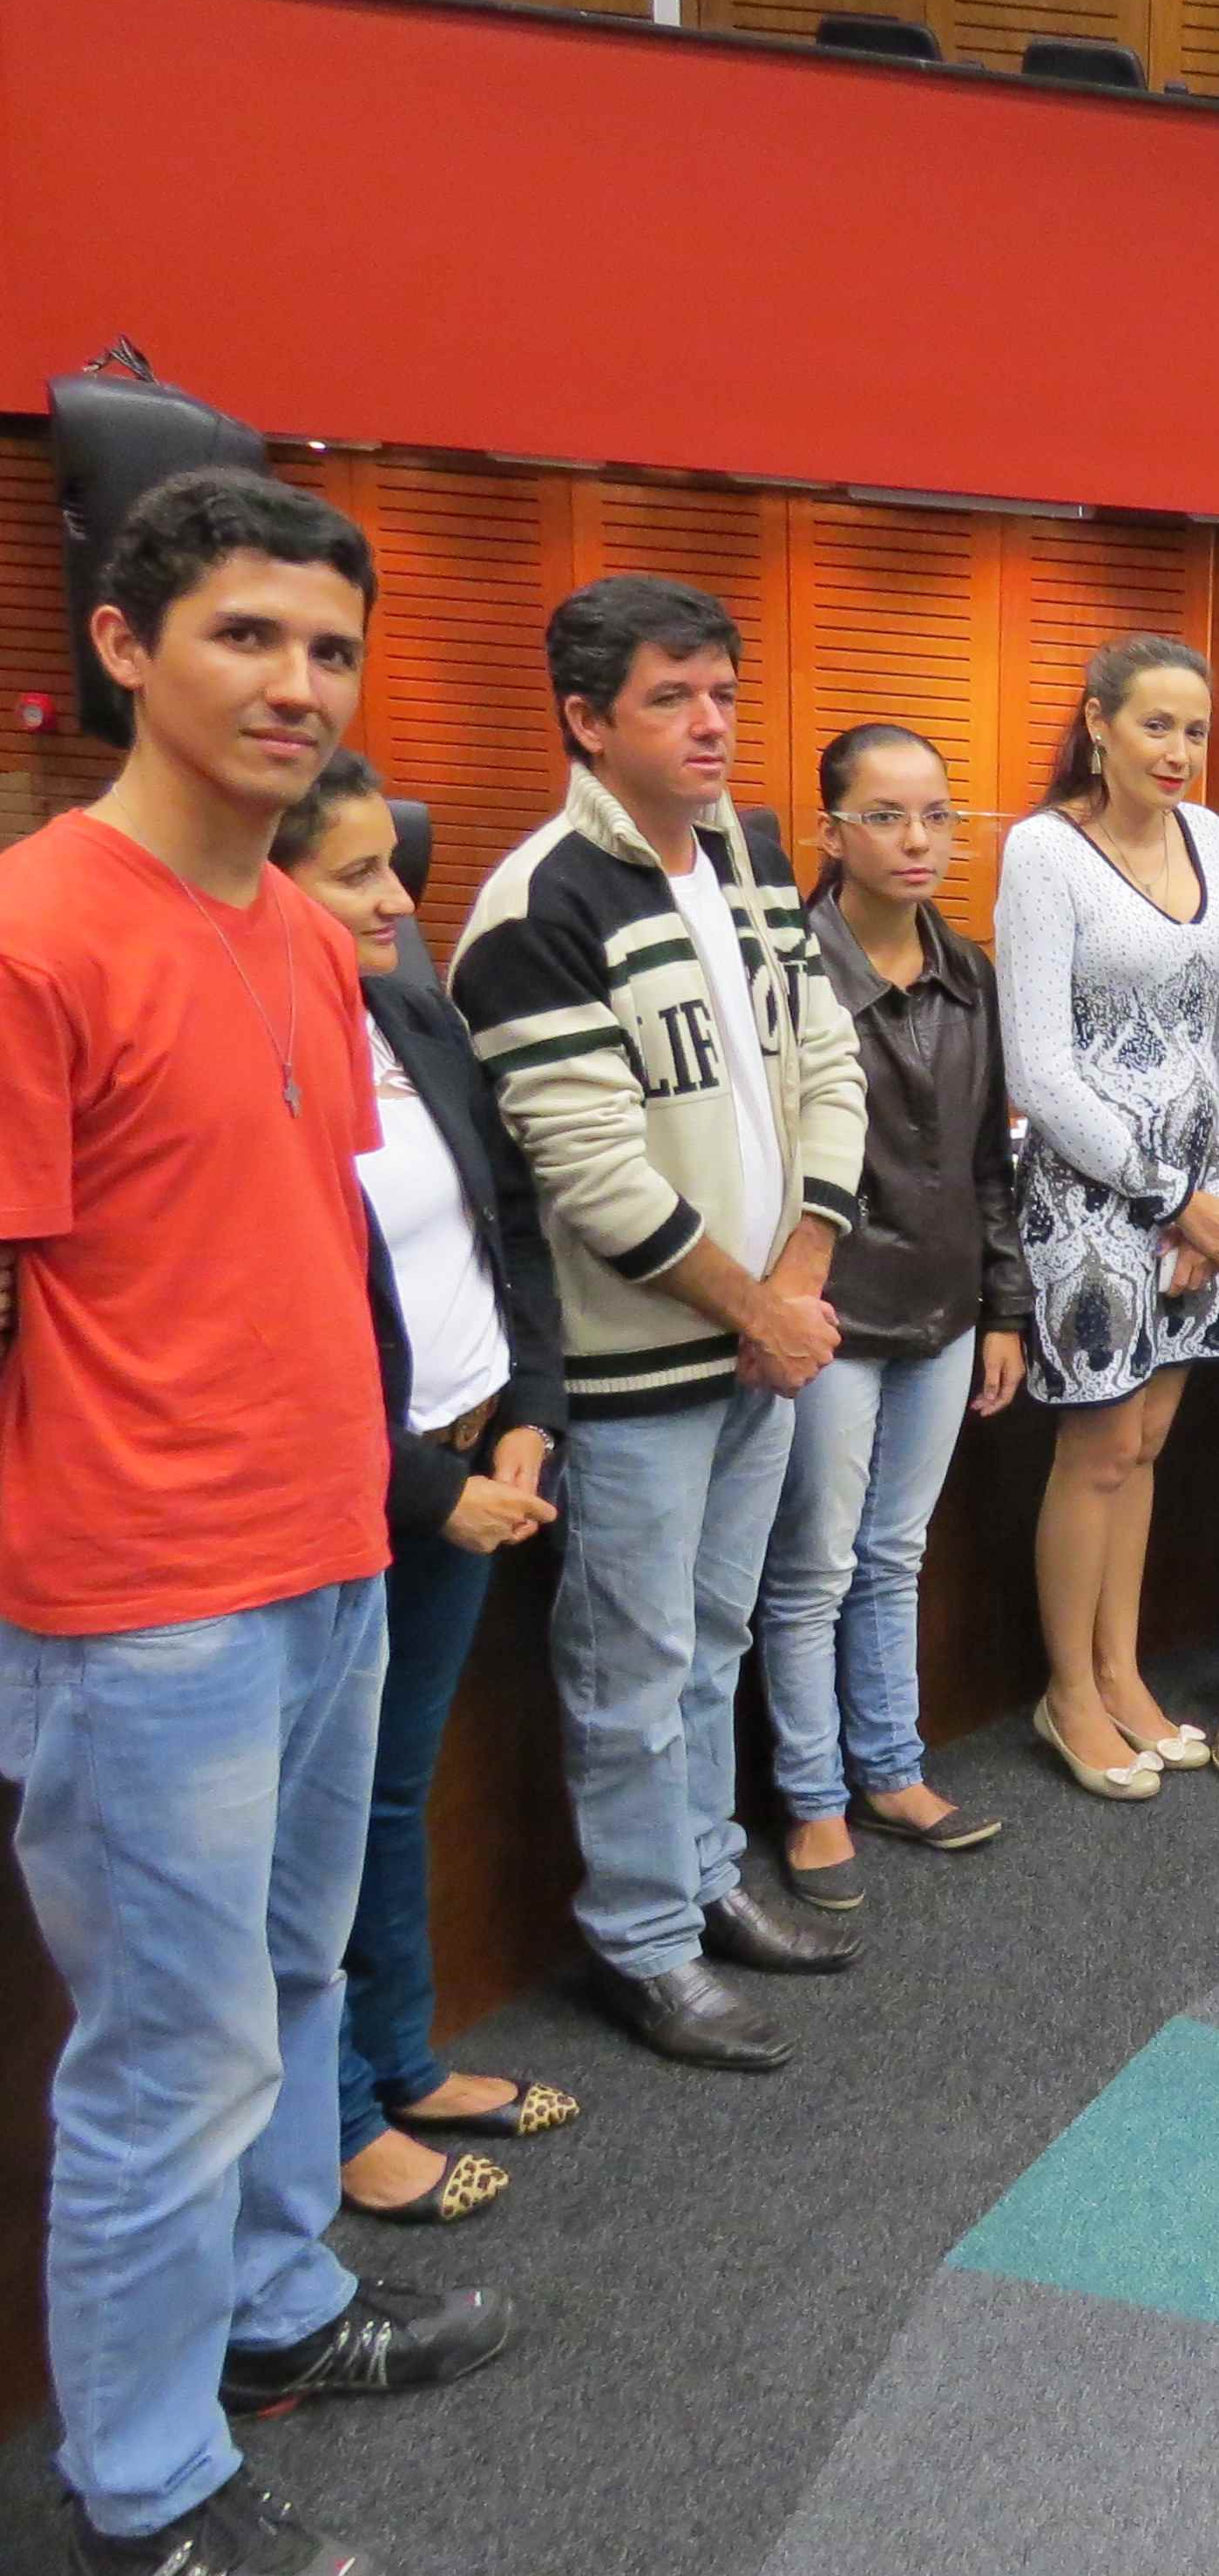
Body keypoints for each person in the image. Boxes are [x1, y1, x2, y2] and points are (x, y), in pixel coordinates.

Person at [0, 468, 512, 2576]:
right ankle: (142, 2489)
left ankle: (280, 2308)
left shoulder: (309, 930)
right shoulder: (35, 932)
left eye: (328, 649)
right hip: (145, 1609)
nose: (298, 683)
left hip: (333, 1558)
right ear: (125, 647)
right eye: (245, 635)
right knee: (166, 2059)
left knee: (299, 1974)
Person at [455, 574, 871, 2067]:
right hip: (638, 1373)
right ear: (586, 720)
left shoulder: (750, 859)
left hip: (766, 1344)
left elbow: (828, 1065)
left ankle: (705, 1879)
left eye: (723, 695)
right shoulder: (538, 908)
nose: (712, 724)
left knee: (712, 1639)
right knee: (627, 1673)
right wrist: (762, 1307)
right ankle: (642, 1942)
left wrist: (798, 1281)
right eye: (671, 699)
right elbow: (592, 1173)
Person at [271, 754, 575, 2231]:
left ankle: (401, 2061)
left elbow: (505, 1219)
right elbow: (266, 1327)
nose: (399, 896)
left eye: (393, 864)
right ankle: (334, 2119)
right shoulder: (254, 1045)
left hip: (468, 1457)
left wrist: (528, 1414)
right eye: (357, 874)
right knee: (309, 1832)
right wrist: (422, 1487)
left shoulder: (407, 1008)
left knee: (391, 1794)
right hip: (355, 1491)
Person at [756, 727, 1027, 1896]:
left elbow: (989, 1163)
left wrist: (1004, 1306)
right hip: (830, 1313)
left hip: (945, 1306)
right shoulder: (788, 970)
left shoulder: (969, 972)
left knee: (894, 1553)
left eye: (937, 816)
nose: (918, 840)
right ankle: (813, 1797)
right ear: (829, 832)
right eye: (885, 816)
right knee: (813, 1565)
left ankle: (891, 1769)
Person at [993, 636, 1219, 1800]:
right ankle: (1068, 1694)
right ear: (1097, 723)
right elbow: (1040, 1072)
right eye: (1156, 725)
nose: (1179, 751)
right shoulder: (1044, 851)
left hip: (1201, 1201)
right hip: (1092, 1197)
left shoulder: (1212, 839)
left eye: (1195, 730)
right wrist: (1171, 1199)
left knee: (1147, 1444)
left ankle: (1120, 1670)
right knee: (1096, 1450)